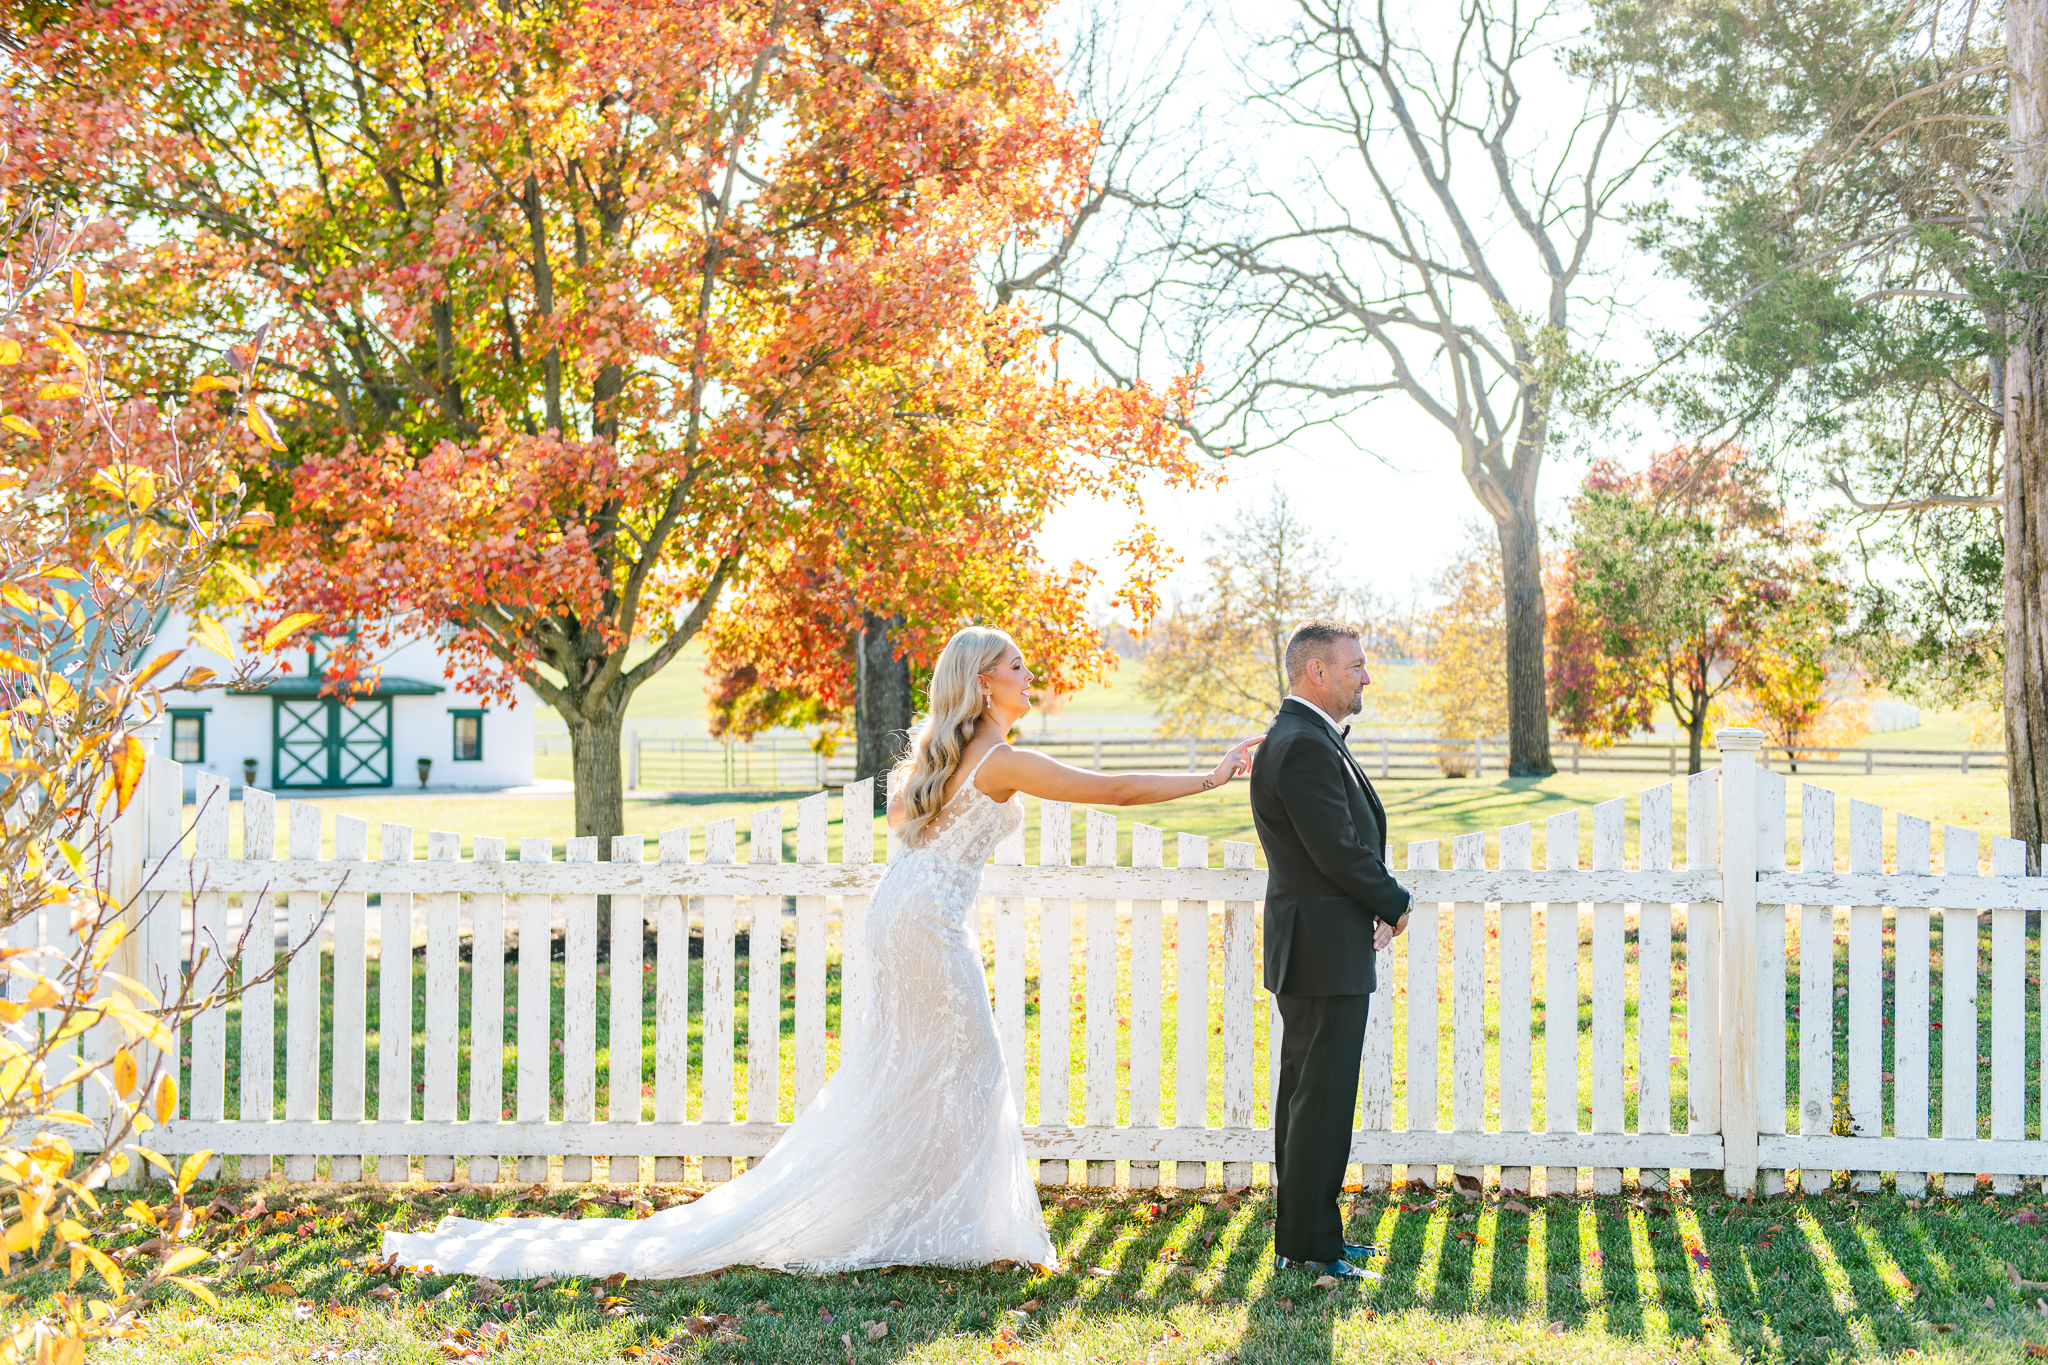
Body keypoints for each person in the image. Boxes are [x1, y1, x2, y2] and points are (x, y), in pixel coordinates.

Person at [384, 625, 1261, 1280]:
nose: (1031, 677)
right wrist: (1214, 775)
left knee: (918, 1071)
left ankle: (929, 1223)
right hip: (922, 924)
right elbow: (1113, 788)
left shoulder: (950, 751)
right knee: (967, 1069)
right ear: (986, 684)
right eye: (1019, 668)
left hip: (905, 915)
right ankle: (938, 1228)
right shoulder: (996, 756)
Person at [1248, 618, 1411, 1283]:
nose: (1366, 675)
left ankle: (1308, 1234)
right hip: (1321, 951)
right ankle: (1313, 1246)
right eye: (1356, 665)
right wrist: (1395, 901)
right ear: (1316, 671)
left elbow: (1336, 848)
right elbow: (1337, 849)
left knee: (1310, 1098)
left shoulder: (1305, 736)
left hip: (1318, 946)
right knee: (1319, 1101)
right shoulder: (1305, 745)